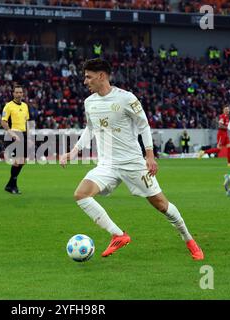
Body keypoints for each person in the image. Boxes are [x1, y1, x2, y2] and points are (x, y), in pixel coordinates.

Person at [59, 59, 203, 260]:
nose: (85, 81)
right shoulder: (89, 102)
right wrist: (73, 152)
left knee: (162, 205)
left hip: (133, 163)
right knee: (81, 194)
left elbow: (143, 125)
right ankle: (118, 235)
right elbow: (90, 128)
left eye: (88, 76)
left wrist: (150, 156)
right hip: (107, 164)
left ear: (102, 76)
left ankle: (188, 238)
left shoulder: (126, 98)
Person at [1, 85, 30, 194]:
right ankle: (13, 186)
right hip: (13, 135)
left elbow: (27, 122)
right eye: (16, 92)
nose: (18, 94)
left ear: (23, 94)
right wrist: (12, 134)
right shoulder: (8, 106)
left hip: (23, 134)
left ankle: (10, 185)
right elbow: (3, 122)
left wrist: (29, 137)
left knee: (22, 161)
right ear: (13, 94)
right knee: (18, 161)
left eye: (20, 92)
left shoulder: (25, 106)